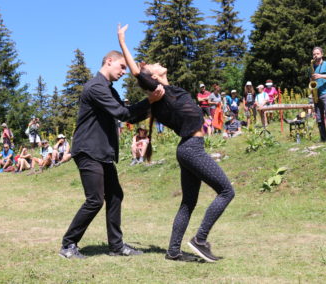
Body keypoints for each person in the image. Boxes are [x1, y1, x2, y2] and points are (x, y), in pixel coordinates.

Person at [119, 24, 235, 262]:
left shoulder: (170, 90)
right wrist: (122, 40)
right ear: (153, 77)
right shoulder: (160, 91)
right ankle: (200, 240)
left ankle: (173, 251)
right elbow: (136, 74)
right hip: (191, 149)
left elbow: (142, 73)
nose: (155, 62)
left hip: (189, 149)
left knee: (188, 203)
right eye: (151, 65)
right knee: (226, 191)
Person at [59, 48, 164, 260]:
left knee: (115, 195)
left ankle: (116, 246)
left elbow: (129, 116)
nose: (125, 72)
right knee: (95, 200)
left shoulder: (108, 89)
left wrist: (154, 103)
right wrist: (149, 101)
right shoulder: (96, 87)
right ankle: (68, 244)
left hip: (101, 151)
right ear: (109, 61)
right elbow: (121, 113)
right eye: (122, 67)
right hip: (88, 150)